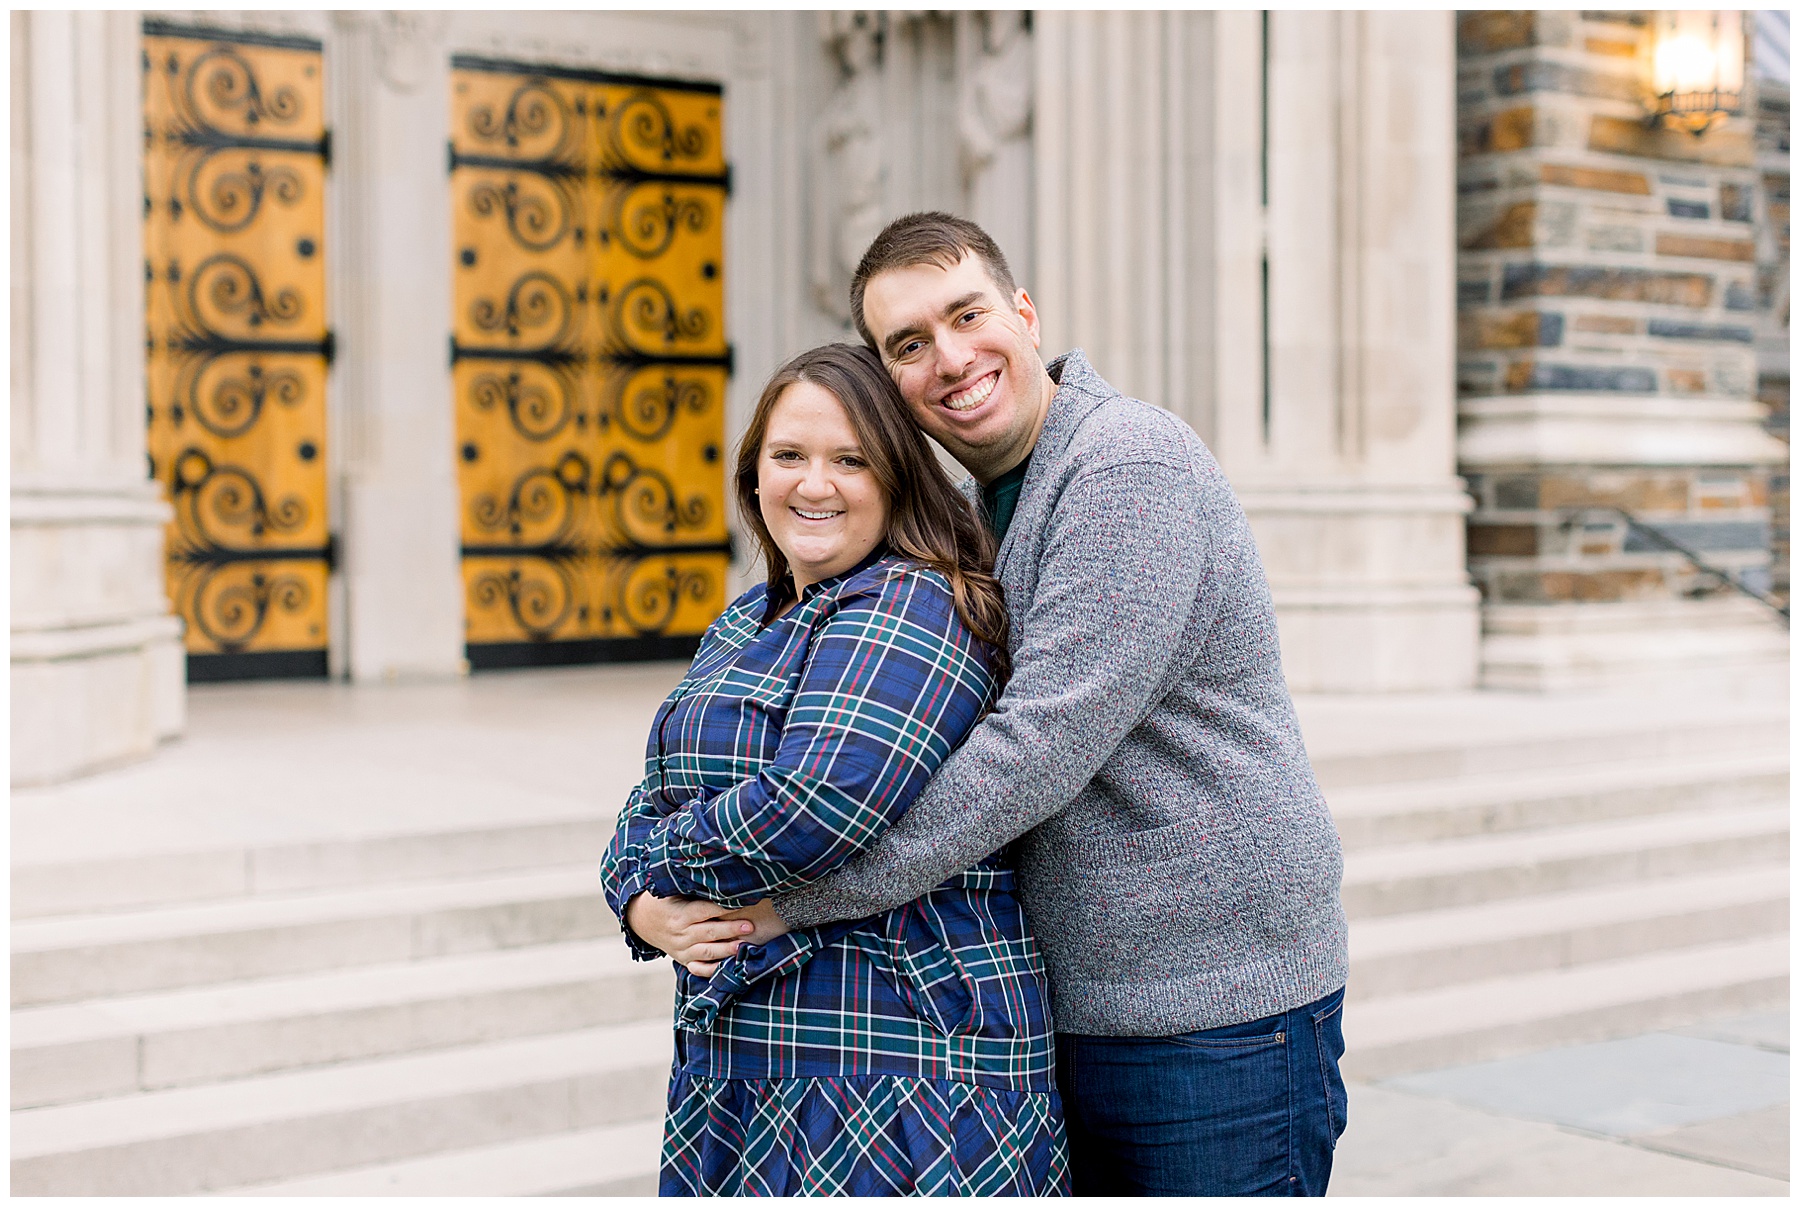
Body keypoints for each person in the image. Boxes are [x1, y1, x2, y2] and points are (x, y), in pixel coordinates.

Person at [632, 213, 1351, 1196]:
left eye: (966, 315)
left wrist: (783, 906)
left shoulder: (1124, 461)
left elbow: (1039, 747)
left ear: (1023, 311)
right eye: (910, 345)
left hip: (1209, 1010)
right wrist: (635, 884)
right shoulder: (974, 516)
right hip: (1077, 1004)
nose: (951, 358)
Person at [599, 342, 1070, 1197]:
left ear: (894, 476)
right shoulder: (750, 617)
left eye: (849, 460)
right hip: (758, 1052)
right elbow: (652, 791)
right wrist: (639, 901)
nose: (814, 484)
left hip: (899, 1064)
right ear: (753, 475)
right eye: (789, 455)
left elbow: (814, 804)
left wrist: (653, 868)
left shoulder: (915, 602)